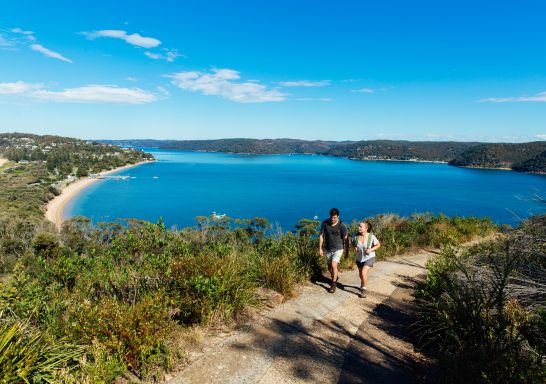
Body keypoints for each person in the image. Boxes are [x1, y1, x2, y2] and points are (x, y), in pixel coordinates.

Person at [319, 208, 349, 293]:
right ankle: (334, 277)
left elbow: (346, 239)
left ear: (338, 216)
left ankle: (333, 284)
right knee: (330, 268)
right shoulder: (325, 223)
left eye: (334, 218)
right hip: (328, 248)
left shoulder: (341, 225)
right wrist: (320, 248)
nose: (333, 219)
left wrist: (347, 251)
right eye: (331, 217)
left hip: (338, 249)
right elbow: (321, 235)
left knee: (333, 265)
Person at [352, 220, 380, 298]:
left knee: (364, 273)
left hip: (369, 257)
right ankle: (362, 283)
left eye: (361, 226)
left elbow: (378, 245)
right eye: (359, 226)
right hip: (359, 258)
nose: (359, 227)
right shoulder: (355, 236)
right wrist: (355, 248)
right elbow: (353, 243)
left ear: (366, 228)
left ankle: (364, 289)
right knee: (361, 275)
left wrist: (371, 250)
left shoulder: (371, 236)